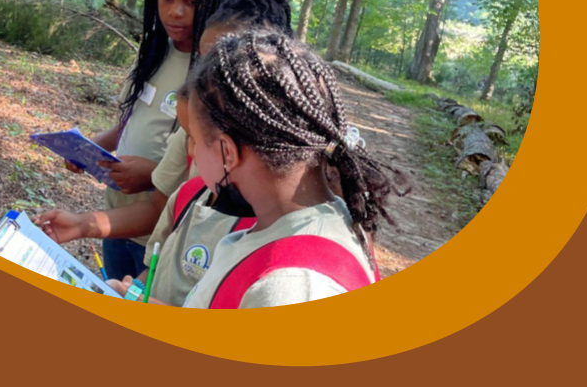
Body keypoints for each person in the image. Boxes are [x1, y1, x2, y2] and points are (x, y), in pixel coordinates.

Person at [45, 0, 296, 306]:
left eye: (220, 65)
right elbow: (160, 256)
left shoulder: (283, 239)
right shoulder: (194, 187)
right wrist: (86, 230)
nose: (205, 77)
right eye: (203, 62)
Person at [132, 30, 409, 308]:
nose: (191, 152)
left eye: (195, 139)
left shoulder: (292, 287)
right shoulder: (292, 228)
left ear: (227, 152)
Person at [48, 0, 240, 280]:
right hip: (115, 218)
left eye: (191, 2)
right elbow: (132, 119)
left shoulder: (213, 74)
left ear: (216, 1)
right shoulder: (153, 52)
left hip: (161, 232)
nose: (174, 12)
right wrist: (92, 147)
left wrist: (152, 174)